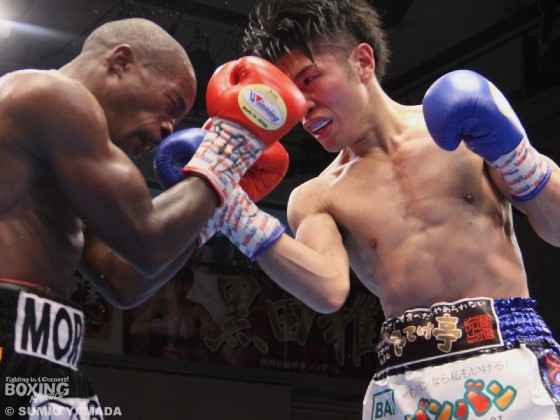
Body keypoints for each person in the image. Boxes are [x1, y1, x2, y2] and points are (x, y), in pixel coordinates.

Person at [198, 0, 560, 418]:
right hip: (408, 385)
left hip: (511, 358)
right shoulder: (318, 195)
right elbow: (327, 290)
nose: (302, 106)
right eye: (290, 95)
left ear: (363, 61)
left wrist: (517, 158)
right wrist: (238, 215)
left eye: (309, 79)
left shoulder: (463, 130)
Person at [0, 16, 305, 417]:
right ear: (121, 63)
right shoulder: (50, 95)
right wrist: (230, 147)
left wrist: (211, 209)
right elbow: (148, 242)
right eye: (171, 105)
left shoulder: (68, 168)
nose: (167, 130)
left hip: (40, 354)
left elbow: (124, 280)